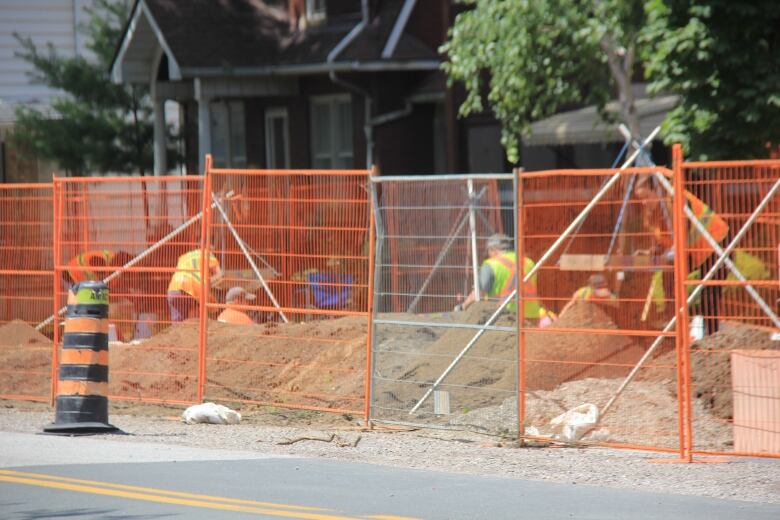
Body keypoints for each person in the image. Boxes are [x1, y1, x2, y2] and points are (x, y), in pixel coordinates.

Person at [634, 175, 729, 334]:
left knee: (709, 294)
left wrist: (667, 256)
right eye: (640, 198)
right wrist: (651, 252)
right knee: (670, 275)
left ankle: (712, 337)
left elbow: (681, 237)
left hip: (718, 243)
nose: (644, 202)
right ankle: (674, 325)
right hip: (698, 250)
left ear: (658, 191)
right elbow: (665, 238)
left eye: (646, 197)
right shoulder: (656, 211)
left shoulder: (677, 202)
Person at [454, 233, 542, 320]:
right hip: (532, 316)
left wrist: (463, 307)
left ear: (493, 249)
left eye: (488, 251)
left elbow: (478, 293)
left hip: (505, 317)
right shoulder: (529, 262)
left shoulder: (491, 265)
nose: (488, 254)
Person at [167, 249, 223, 322]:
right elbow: (219, 276)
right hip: (192, 288)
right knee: (195, 322)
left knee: (178, 324)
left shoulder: (184, 256)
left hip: (174, 288)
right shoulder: (208, 254)